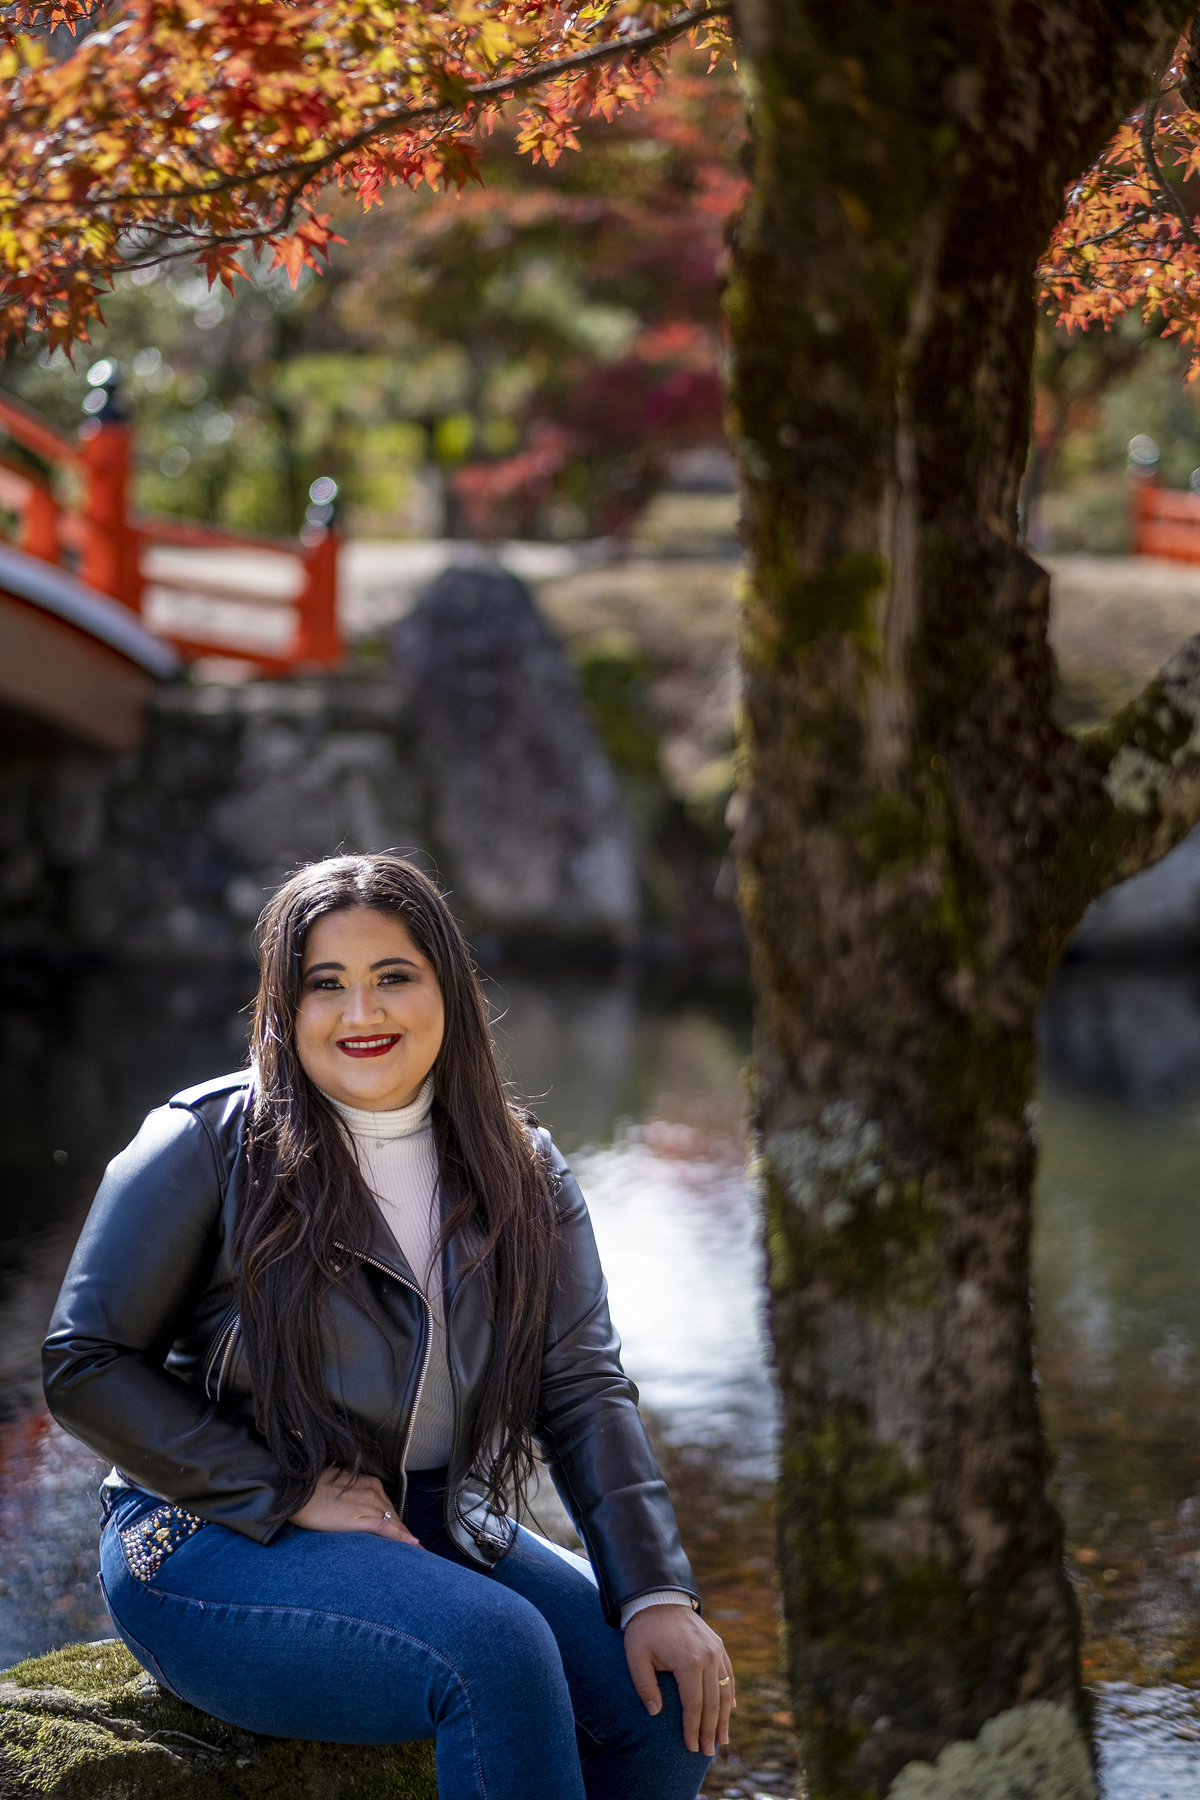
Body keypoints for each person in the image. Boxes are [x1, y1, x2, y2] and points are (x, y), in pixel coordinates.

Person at [43, 854, 734, 1800]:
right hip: (209, 1531)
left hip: (432, 1519)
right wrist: (285, 1489)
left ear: (447, 986)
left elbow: (581, 1390)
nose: (361, 1014)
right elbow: (85, 1362)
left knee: (662, 1705)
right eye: (326, 984)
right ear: (285, 1007)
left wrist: (656, 1591)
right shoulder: (205, 1140)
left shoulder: (521, 1167)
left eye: (392, 978)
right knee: (495, 1649)